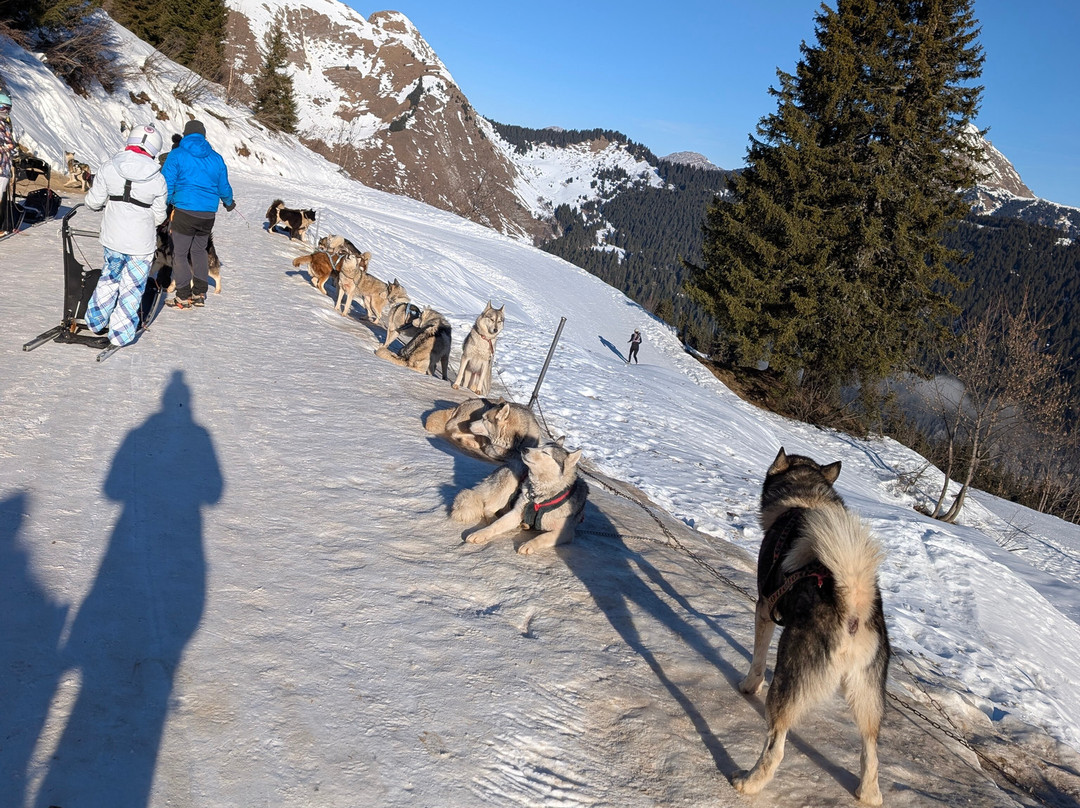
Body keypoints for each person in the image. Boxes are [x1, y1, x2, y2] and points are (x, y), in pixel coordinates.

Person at [83, 123, 168, 348]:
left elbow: (92, 202)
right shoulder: (157, 178)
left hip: (112, 238)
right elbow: (159, 216)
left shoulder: (108, 167)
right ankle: (120, 334)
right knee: (132, 288)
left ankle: (95, 321)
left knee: (109, 277)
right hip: (141, 244)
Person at [161, 120, 234, 308]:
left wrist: (164, 205)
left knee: (180, 253)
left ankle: (183, 295)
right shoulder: (216, 158)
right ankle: (200, 293)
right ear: (203, 135)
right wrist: (228, 202)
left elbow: (167, 183)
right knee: (199, 251)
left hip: (184, 212)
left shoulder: (177, 154)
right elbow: (223, 186)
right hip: (207, 215)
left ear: (186, 134)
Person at [0, 92, 15, 236]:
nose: (5, 112)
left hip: (4, 168)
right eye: (3, 108)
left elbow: (10, 144)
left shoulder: (6, 125)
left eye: (8, 109)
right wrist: (7, 147)